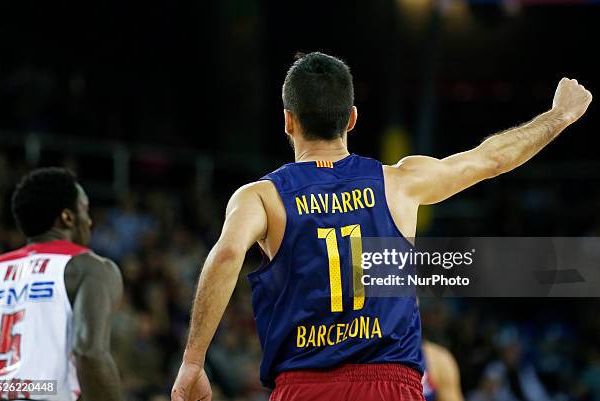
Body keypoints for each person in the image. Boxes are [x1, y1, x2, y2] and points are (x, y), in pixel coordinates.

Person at [171, 52, 592, 401]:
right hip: (391, 383)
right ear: (352, 118)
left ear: (288, 121)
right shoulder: (399, 181)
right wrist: (559, 116)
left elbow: (226, 254)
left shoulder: (261, 196)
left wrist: (193, 361)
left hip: (305, 384)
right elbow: (490, 158)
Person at [0, 168, 123, 401]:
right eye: (85, 210)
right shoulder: (90, 268)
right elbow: (89, 352)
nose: (89, 221)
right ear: (68, 217)